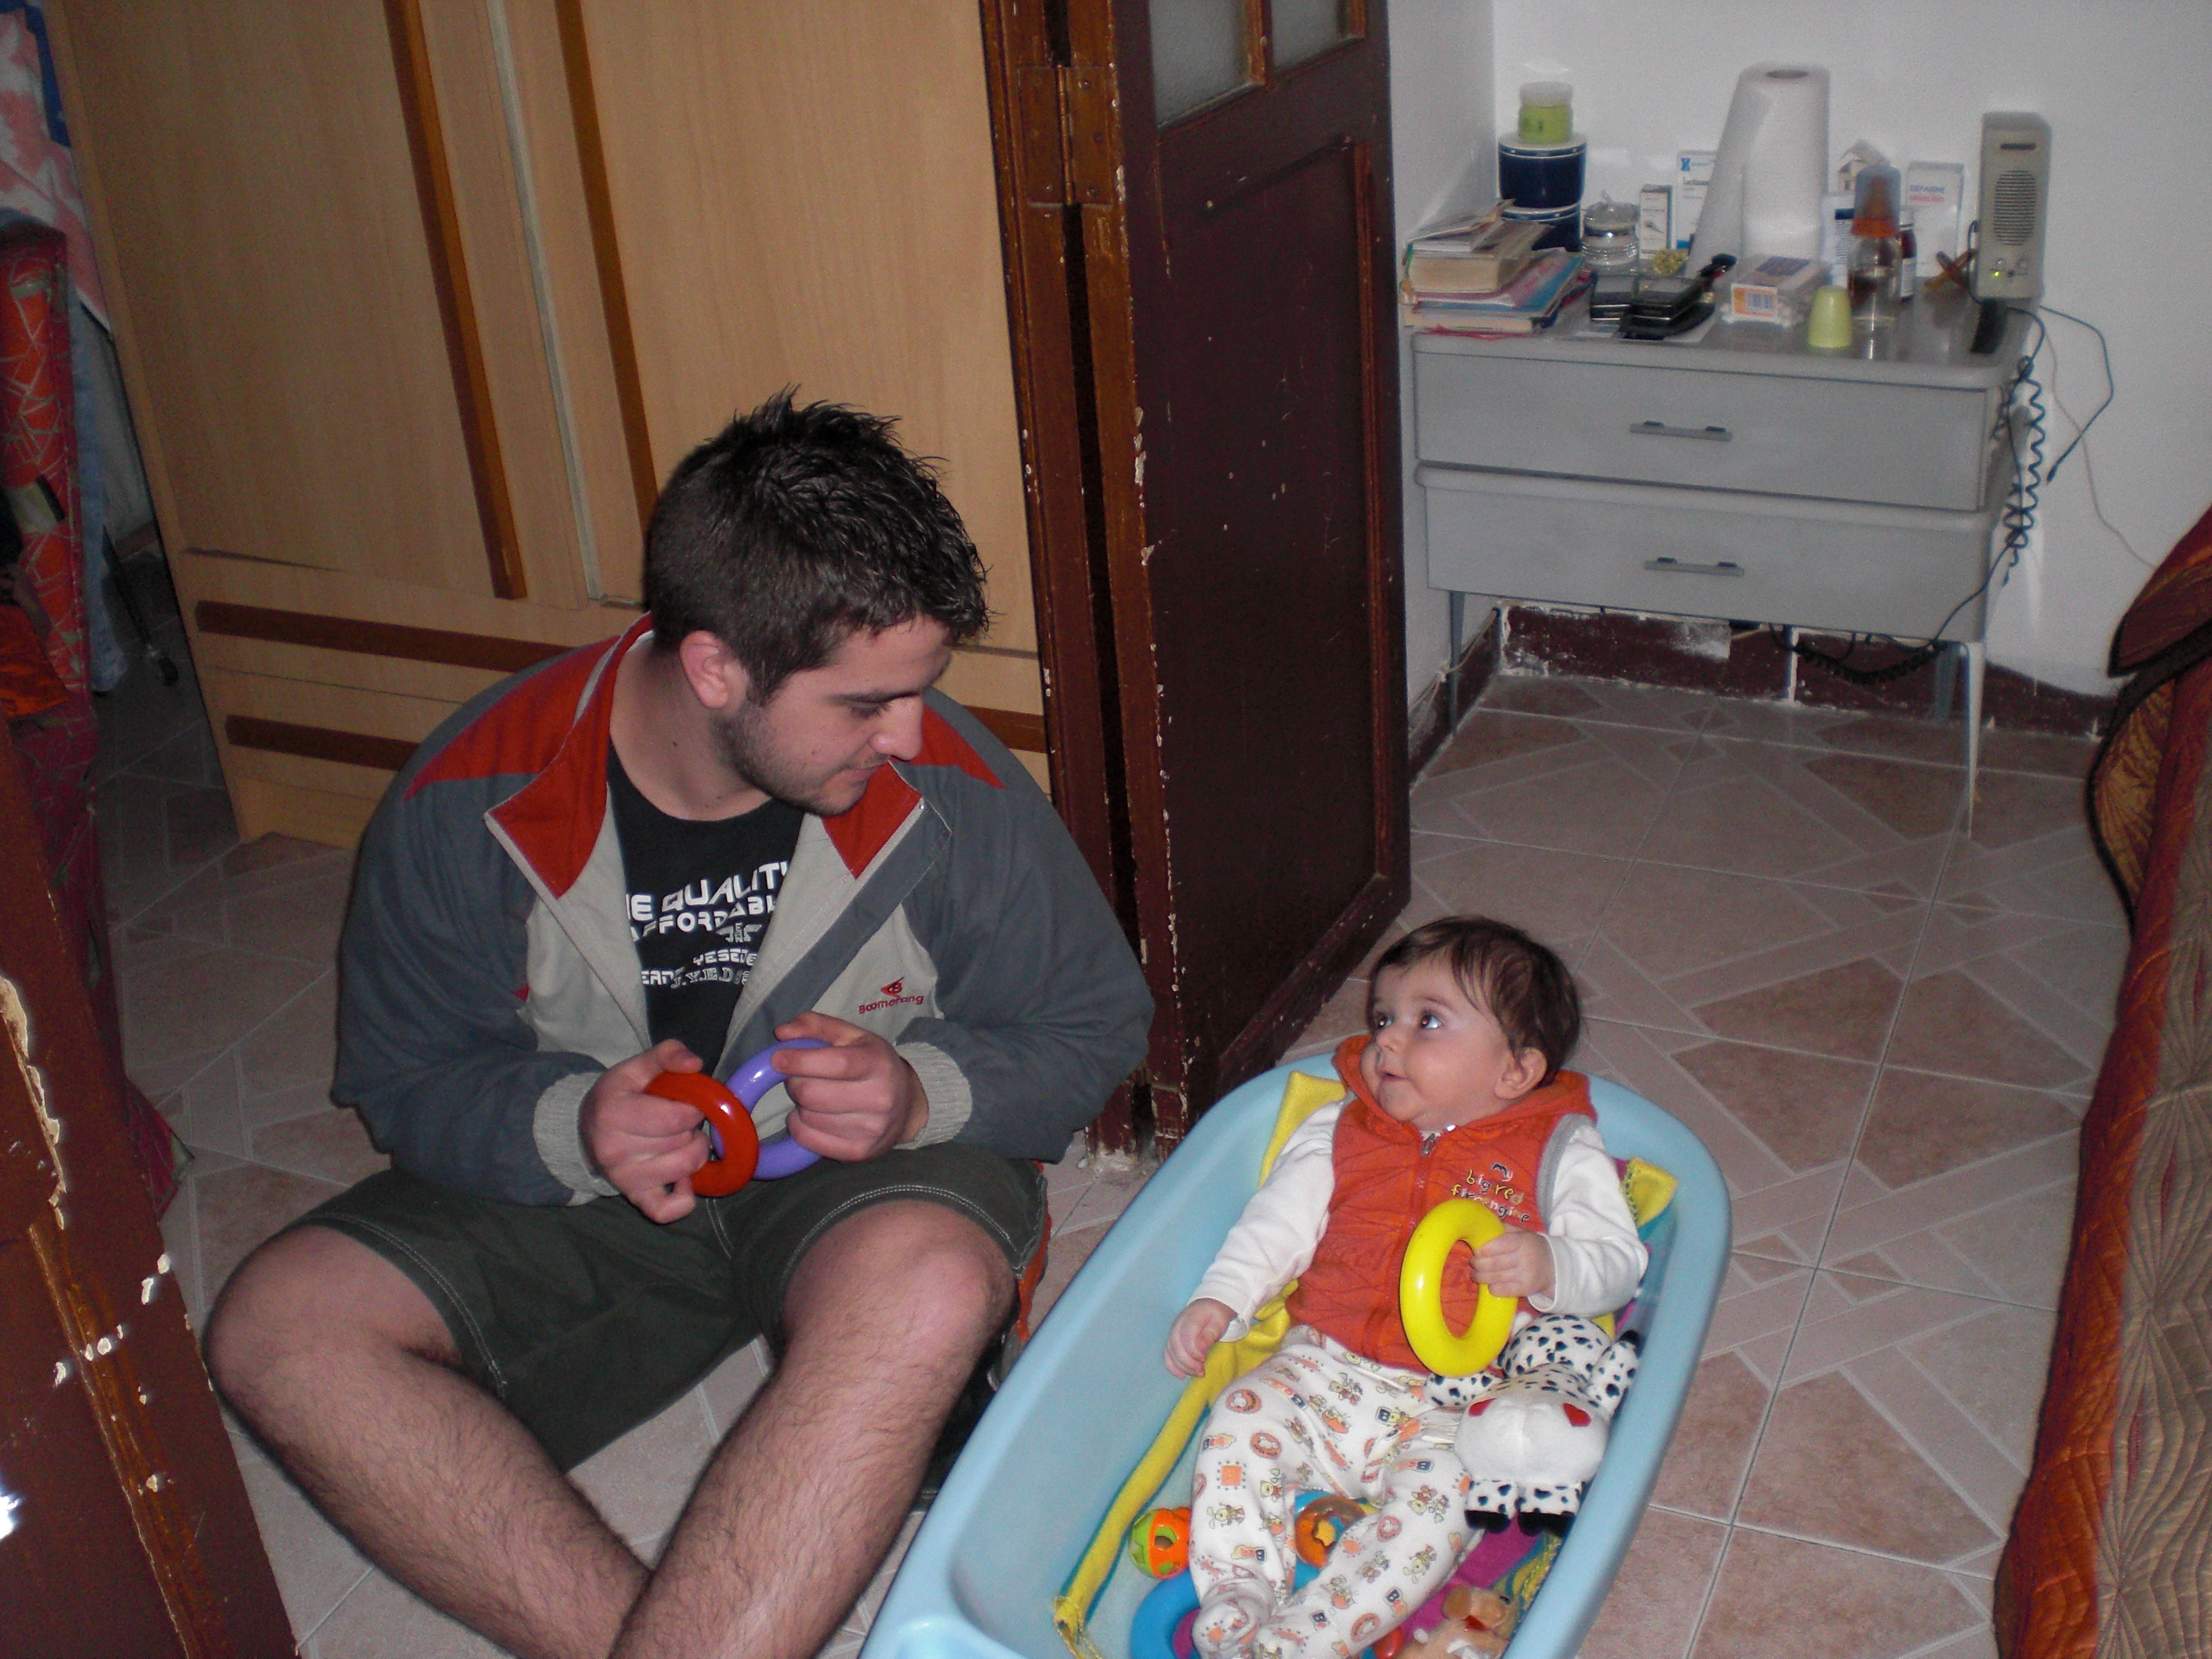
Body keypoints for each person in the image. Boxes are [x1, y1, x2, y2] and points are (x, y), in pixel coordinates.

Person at [205, 392, 1152, 1659]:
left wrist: (924, 1093)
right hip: (594, 1200)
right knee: (275, 1328)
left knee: (928, 1287)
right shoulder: (469, 795)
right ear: (714, 668)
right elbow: (404, 1074)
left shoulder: (951, 788)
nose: (911, 733)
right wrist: (572, 1124)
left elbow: (1093, 1019)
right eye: (865, 702)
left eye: (918, 690)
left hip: (862, 1187)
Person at [1162, 918, 1644, 1659]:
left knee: (1444, 1507)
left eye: (1428, 1021)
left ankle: (1304, 1639)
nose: (1387, 1039)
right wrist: (1222, 1297)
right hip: (1321, 1367)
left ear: (1514, 1072)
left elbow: (1618, 1262)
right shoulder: (1342, 1126)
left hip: (1455, 1398)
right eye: (1384, 1016)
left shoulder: (1559, 1148)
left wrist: (1550, 1266)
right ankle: (1239, 1591)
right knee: (1237, 1419)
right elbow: (1276, 1225)